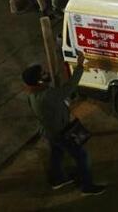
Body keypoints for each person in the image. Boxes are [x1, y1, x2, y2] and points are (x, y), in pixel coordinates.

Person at [22, 50, 106, 196]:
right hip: (60, 132)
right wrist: (80, 65)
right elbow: (69, 88)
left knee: (57, 153)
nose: (46, 73)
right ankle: (87, 186)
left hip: (49, 131)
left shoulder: (34, 93)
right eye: (43, 73)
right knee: (82, 156)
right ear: (39, 81)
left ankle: (58, 179)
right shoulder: (46, 95)